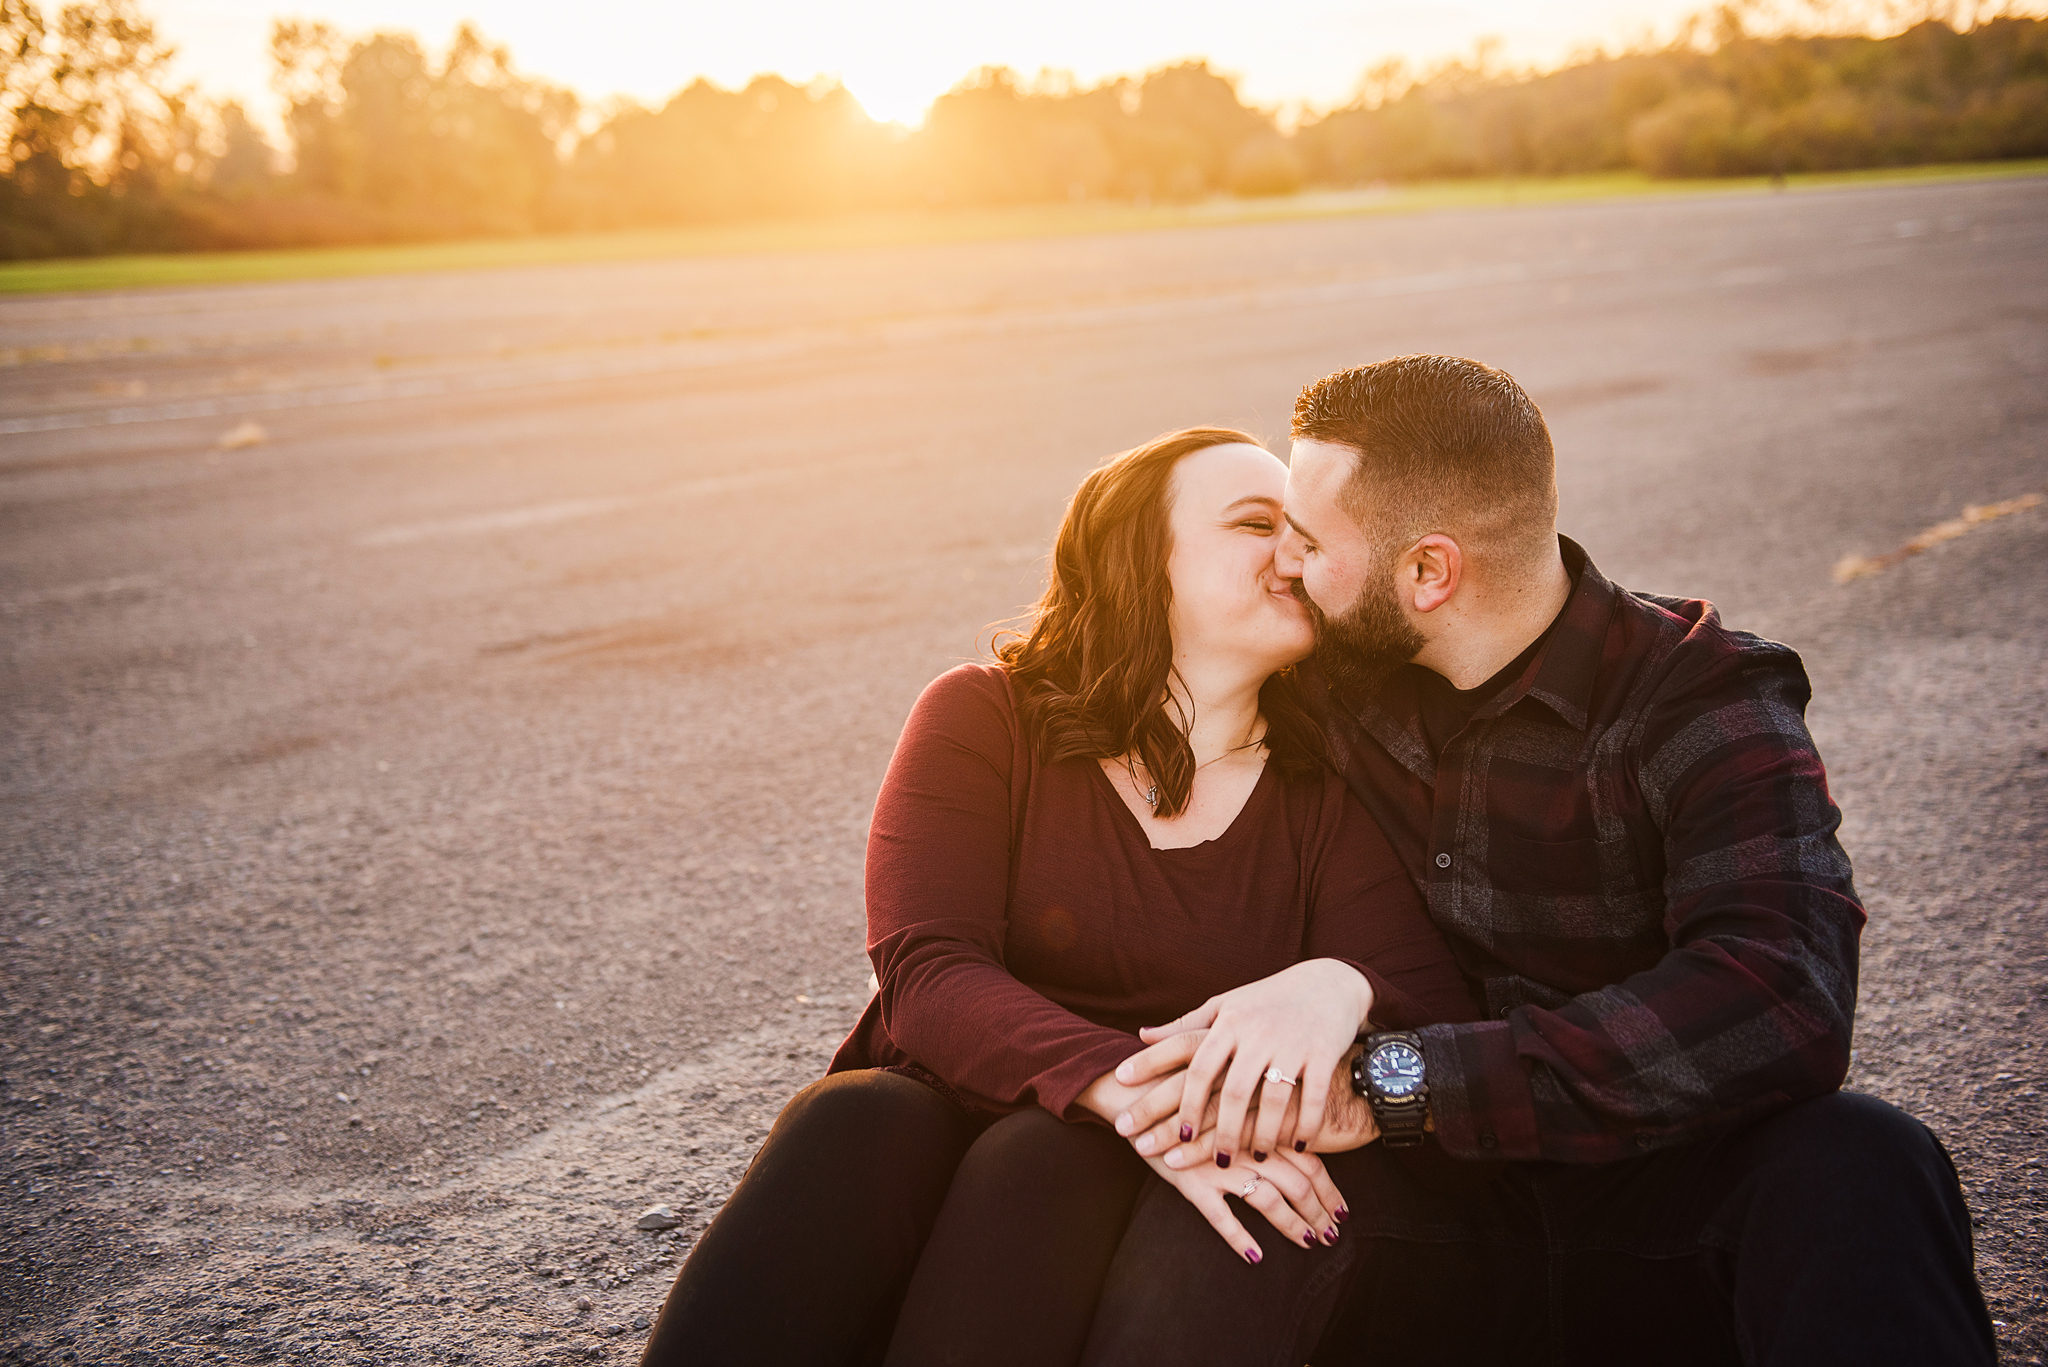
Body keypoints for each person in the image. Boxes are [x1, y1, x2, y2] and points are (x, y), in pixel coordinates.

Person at [1093, 356, 1997, 1365]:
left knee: (1864, 1158)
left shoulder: (1699, 697)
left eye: (1308, 539)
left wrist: (1403, 1082)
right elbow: (1132, 675)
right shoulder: (1326, 678)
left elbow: (1780, 994)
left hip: (1661, 1194)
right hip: (1419, 1210)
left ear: (1427, 572)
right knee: (1231, 1190)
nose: (1288, 565)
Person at [637, 427, 1479, 1367]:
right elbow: (927, 972)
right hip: (947, 1135)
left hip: (1125, 1203)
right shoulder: (985, 717)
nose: (1295, 552)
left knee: (1050, 1157)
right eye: (1255, 523)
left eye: (1308, 536)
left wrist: (1334, 981)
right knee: (859, 1116)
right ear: (1136, 557)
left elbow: (1431, 1018)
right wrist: (1135, 1096)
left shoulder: (1323, 795)